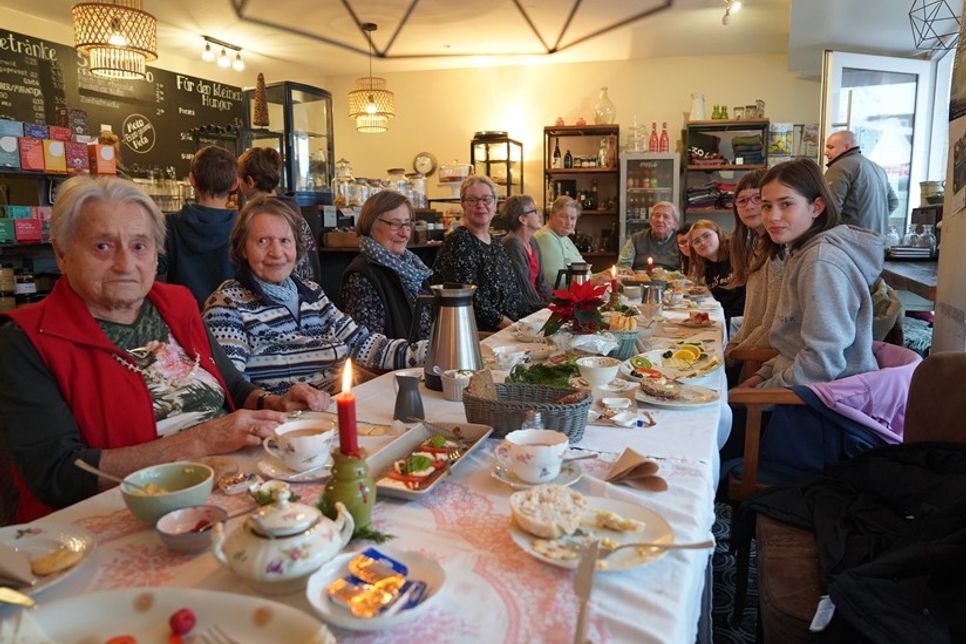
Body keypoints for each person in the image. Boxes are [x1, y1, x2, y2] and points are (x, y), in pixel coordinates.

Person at [0, 177, 328, 521]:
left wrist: (273, 403)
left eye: (139, 246)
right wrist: (198, 443)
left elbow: (232, 385)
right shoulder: (25, 340)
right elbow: (57, 474)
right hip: (122, 515)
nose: (125, 264)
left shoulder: (177, 303)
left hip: (231, 484)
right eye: (102, 246)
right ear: (62, 254)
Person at [204, 196, 427, 394]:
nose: (277, 252)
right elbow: (231, 388)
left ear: (296, 246)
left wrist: (426, 353)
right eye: (263, 241)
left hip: (340, 406)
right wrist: (275, 403)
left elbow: (361, 343)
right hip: (288, 420)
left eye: (285, 241)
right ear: (243, 248)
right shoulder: (227, 305)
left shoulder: (312, 293)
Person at [739, 158, 882, 389]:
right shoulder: (801, 252)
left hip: (825, 400)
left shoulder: (820, 262)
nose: (773, 217)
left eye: (786, 204)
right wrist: (763, 375)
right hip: (800, 387)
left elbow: (822, 364)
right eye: (766, 206)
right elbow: (793, 347)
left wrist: (759, 393)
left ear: (816, 207)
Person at [431, 176, 525, 331]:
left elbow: (513, 288)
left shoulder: (496, 243)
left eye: (486, 199)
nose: (480, 205)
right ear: (463, 205)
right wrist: (512, 326)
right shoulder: (459, 241)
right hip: (475, 334)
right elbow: (471, 299)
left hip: (506, 328)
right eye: (472, 200)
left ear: (495, 204)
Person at [339, 190, 434, 340]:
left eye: (407, 224)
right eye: (395, 224)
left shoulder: (413, 268)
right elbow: (367, 344)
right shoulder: (361, 277)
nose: (404, 233)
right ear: (370, 224)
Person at [157, 145, 239, 308]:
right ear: (235, 184)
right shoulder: (245, 228)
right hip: (235, 318)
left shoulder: (168, 226)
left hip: (183, 317)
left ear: (192, 179)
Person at [236, 147, 320, 284]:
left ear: (250, 182)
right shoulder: (295, 215)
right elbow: (313, 265)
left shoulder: (251, 221)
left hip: (271, 291)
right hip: (303, 291)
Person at [725, 169, 784, 354]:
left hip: (763, 355)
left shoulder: (779, 252)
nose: (749, 206)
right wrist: (734, 344)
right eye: (742, 201)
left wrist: (735, 353)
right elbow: (752, 317)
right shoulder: (755, 246)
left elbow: (771, 326)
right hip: (750, 347)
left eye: (757, 199)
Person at [824, 130, 898, 237]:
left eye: (831, 147)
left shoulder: (840, 167)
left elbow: (830, 208)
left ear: (846, 147)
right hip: (878, 240)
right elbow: (893, 202)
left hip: (851, 240)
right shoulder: (878, 169)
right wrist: (871, 221)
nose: (826, 152)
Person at [687, 219, 746, 322]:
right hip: (723, 318)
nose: (702, 242)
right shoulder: (706, 268)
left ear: (718, 234)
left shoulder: (737, 254)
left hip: (742, 319)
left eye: (706, 236)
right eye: (697, 241)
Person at [500, 195, 550, 312]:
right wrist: (545, 308)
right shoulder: (511, 244)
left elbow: (542, 280)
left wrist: (550, 303)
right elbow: (524, 289)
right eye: (534, 211)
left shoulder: (533, 241)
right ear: (523, 219)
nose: (540, 215)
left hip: (538, 306)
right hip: (524, 311)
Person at [533, 196, 587, 289]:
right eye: (564, 217)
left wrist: (602, 276)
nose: (569, 222)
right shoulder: (546, 238)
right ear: (551, 216)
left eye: (573, 218)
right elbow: (554, 280)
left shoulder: (564, 237)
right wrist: (593, 281)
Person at [617, 201, 682, 271]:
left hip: (672, 277)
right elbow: (622, 266)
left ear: (675, 223)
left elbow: (685, 269)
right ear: (650, 220)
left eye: (666, 217)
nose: (660, 220)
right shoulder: (636, 239)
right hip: (640, 277)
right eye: (657, 215)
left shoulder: (680, 240)